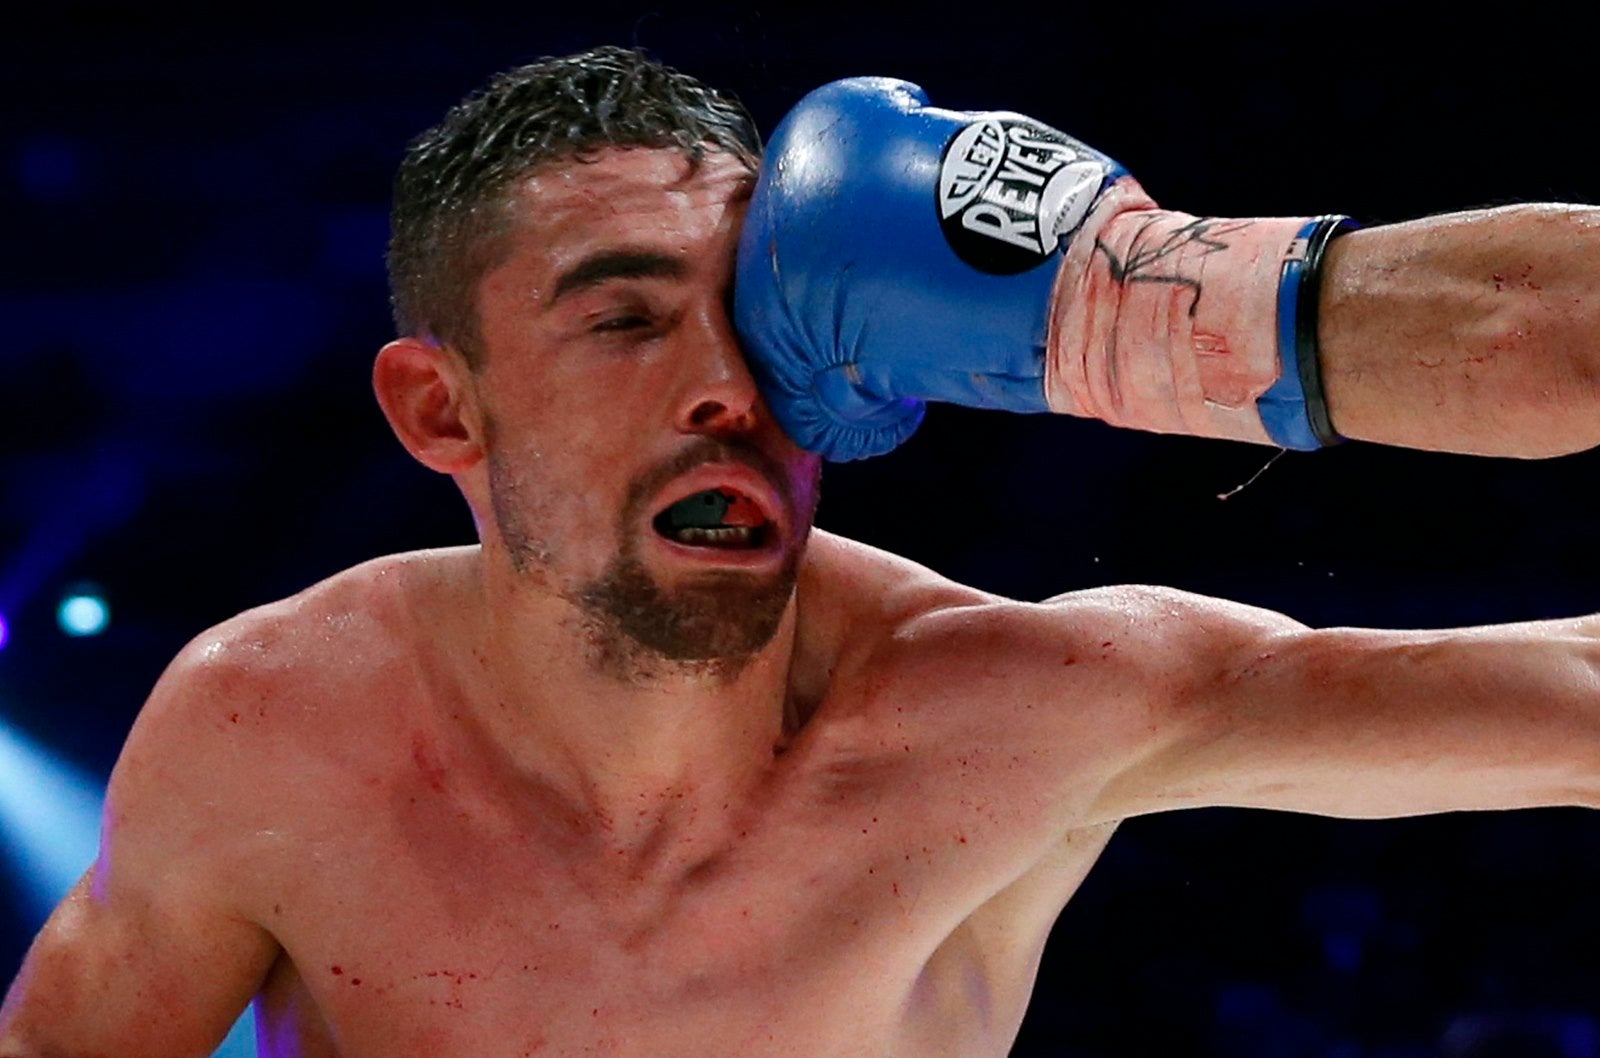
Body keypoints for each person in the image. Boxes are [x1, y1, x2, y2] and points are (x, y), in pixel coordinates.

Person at [1, 44, 1595, 1058]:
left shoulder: (1014, 708)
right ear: (440, 409)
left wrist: (1171, 308)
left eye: (766, 320)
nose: (729, 384)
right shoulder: (270, 732)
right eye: (623, 319)